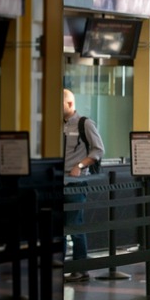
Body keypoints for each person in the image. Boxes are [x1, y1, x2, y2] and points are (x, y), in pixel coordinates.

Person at [62, 89, 105, 283]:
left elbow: (98, 149)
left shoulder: (84, 124)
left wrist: (79, 166)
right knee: (59, 228)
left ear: (70, 104)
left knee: (74, 224)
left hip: (76, 184)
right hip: (57, 183)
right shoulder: (57, 125)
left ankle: (80, 268)